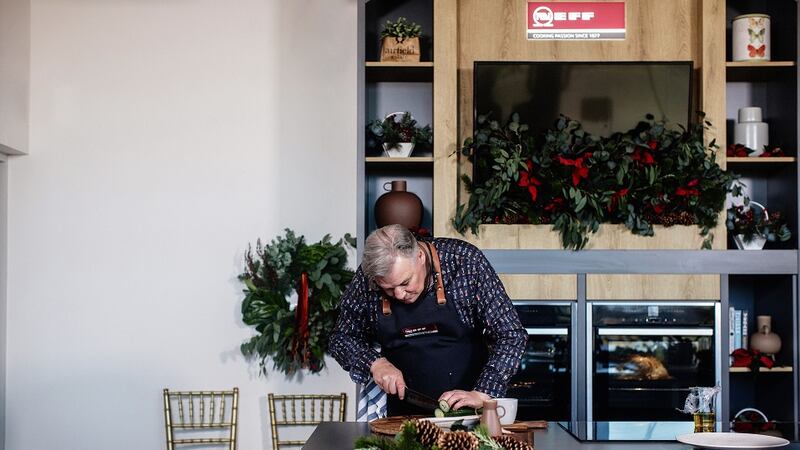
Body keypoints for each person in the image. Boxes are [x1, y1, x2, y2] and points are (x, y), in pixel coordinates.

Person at [329, 224, 527, 416]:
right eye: (387, 289)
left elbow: (511, 335)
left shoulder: (465, 262)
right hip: (399, 414)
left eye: (405, 282)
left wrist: (483, 392)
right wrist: (375, 363)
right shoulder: (368, 277)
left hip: (469, 411)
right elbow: (341, 337)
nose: (398, 294)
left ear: (420, 257)